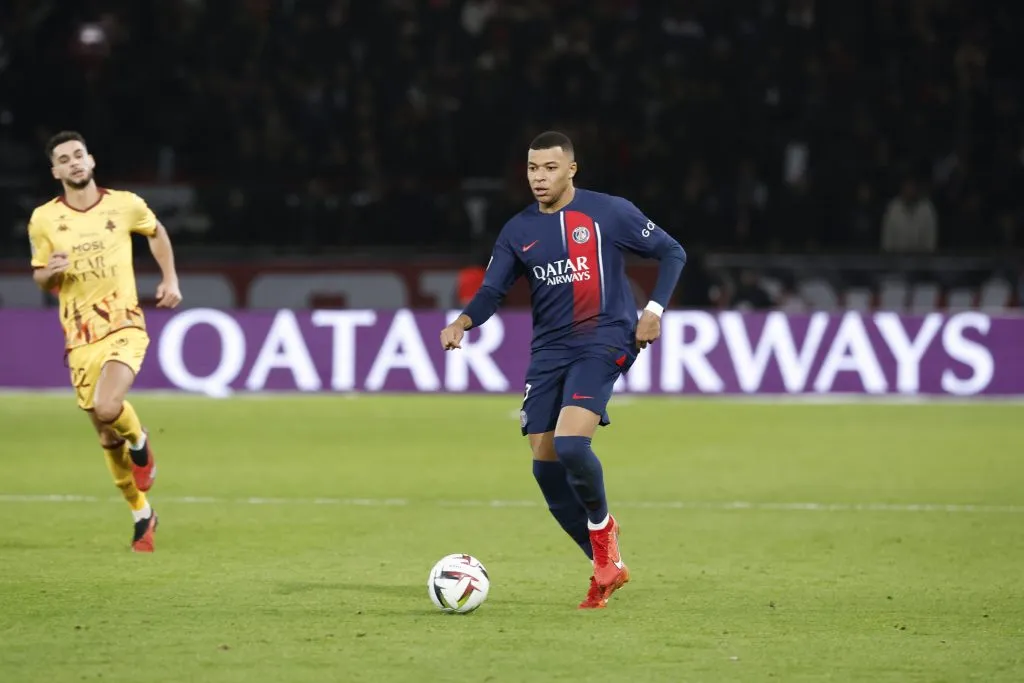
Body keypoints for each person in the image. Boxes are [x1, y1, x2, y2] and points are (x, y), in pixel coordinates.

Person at [439, 131, 687, 609]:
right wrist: (464, 320)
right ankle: (603, 564)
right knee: (545, 463)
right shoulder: (517, 231)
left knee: (574, 443)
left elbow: (672, 252)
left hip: (605, 338)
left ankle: (605, 537)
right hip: (549, 350)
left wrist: (654, 309)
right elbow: (492, 290)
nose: (539, 177)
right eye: (533, 169)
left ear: (572, 169)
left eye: (550, 168)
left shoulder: (608, 211)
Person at [27, 131, 182, 553]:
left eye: (79, 154)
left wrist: (169, 278)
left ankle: (140, 442)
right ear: (56, 171)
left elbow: (155, 231)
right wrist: (50, 271)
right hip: (79, 338)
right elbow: (40, 273)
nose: (74, 162)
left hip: (123, 323)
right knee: (103, 436)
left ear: (91, 161)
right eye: (65, 158)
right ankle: (141, 514)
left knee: (109, 406)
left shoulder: (125, 204)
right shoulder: (43, 219)